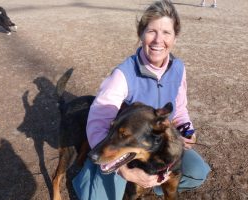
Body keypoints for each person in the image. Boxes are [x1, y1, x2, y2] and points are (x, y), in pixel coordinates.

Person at [72, 0, 211, 199]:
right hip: (119, 148)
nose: (158, 40)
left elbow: (179, 109)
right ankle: (86, 179)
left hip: (155, 147)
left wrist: (187, 128)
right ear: (141, 34)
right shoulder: (123, 74)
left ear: (175, 38)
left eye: (166, 33)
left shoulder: (179, 68)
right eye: (151, 31)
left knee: (198, 173)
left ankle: (152, 183)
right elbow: (97, 123)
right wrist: (124, 171)